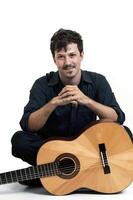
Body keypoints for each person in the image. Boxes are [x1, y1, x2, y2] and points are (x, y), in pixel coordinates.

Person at [11, 28, 125, 186]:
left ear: (81, 55)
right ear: (54, 59)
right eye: (61, 57)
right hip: (52, 150)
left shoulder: (98, 81)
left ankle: (51, 174)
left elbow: (117, 119)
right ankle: (71, 173)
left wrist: (86, 100)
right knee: (19, 141)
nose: (67, 62)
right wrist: (53, 103)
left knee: (125, 134)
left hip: (88, 152)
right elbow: (28, 125)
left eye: (72, 55)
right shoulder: (42, 84)